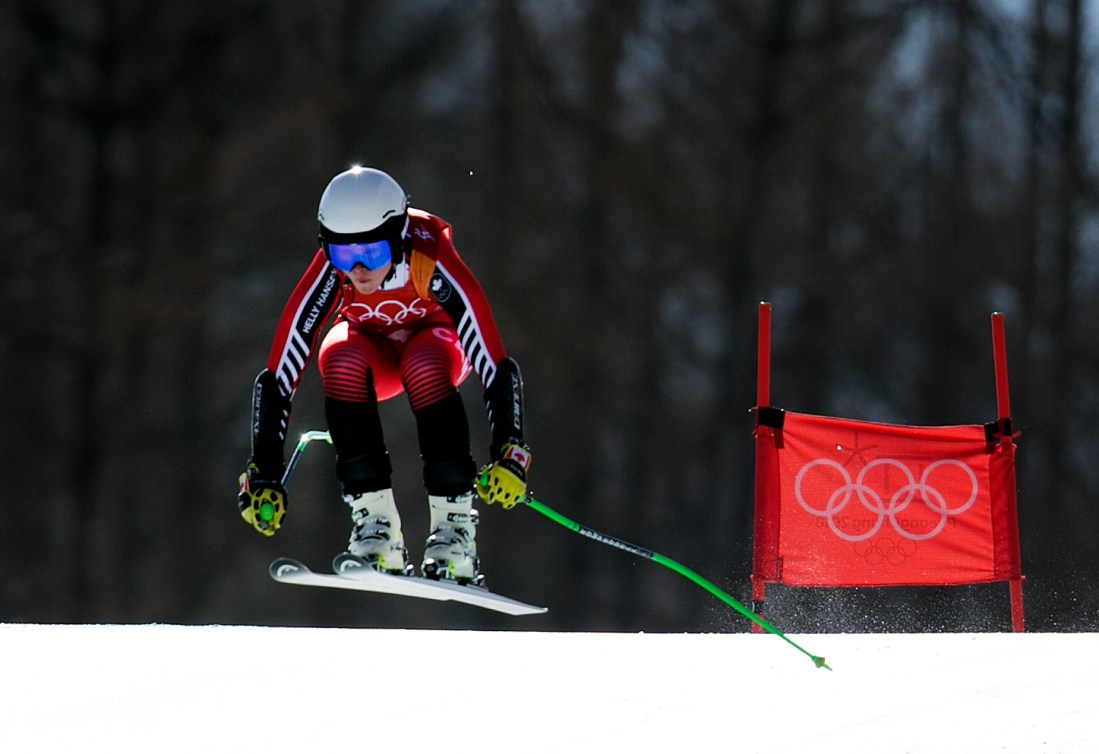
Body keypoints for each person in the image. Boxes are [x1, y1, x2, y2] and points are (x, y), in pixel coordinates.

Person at [237, 165, 532, 585]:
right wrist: (264, 469)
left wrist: (511, 451)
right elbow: (281, 367)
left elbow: (491, 354)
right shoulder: (332, 272)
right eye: (342, 254)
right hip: (374, 352)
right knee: (337, 355)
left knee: (423, 363)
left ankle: (455, 531)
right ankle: (376, 527)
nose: (358, 269)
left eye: (371, 254)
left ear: (397, 237)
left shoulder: (426, 256)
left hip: (439, 345)